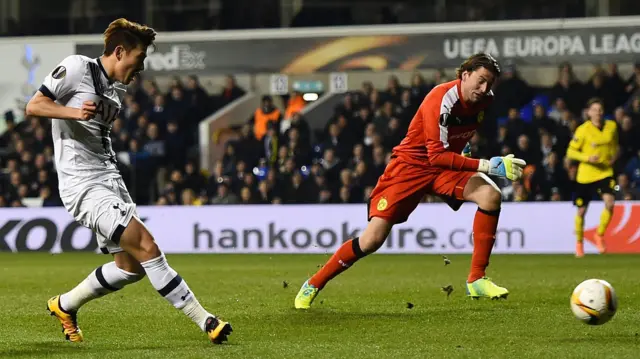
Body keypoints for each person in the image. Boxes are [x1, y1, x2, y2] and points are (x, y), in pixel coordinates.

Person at [26, 18, 231, 344]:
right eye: (140, 58)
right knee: (148, 246)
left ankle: (64, 305)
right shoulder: (77, 67)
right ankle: (206, 320)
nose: (141, 67)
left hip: (110, 180)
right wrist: (74, 113)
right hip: (83, 186)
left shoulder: (115, 91)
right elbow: (34, 105)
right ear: (120, 52)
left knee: (130, 267)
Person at [294, 53, 527, 309]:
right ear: (465, 75)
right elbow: (436, 154)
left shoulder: (484, 101)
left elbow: (460, 132)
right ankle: (314, 283)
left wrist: (465, 149)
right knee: (372, 240)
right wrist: (487, 165)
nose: (484, 89)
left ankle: (477, 279)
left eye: (489, 84)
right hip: (410, 168)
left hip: (444, 167)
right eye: (481, 81)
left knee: (490, 196)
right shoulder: (440, 99)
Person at [565, 98, 618, 257]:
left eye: (600, 109)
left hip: (605, 172)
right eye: (594, 110)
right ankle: (579, 243)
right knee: (581, 211)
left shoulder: (612, 126)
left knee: (610, 203)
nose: (598, 113)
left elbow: (615, 145)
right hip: (586, 175)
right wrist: (587, 158)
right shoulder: (583, 130)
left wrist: (613, 157)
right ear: (588, 112)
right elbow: (570, 152)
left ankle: (599, 235)